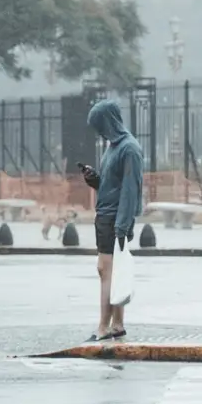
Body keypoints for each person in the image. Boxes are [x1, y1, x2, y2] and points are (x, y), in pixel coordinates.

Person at [79, 99, 144, 341]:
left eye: (100, 125)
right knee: (112, 273)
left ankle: (103, 328)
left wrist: (122, 226)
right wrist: (94, 179)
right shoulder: (113, 147)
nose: (99, 132)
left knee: (105, 271)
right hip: (106, 215)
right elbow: (112, 184)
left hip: (115, 219)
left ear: (109, 121)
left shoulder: (129, 149)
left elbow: (130, 190)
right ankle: (117, 325)